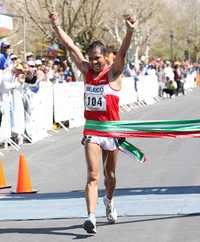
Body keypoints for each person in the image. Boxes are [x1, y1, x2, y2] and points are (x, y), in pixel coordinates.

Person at [49, 12, 137, 234]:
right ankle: (90, 217)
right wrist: (57, 26)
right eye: (91, 58)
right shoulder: (87, 71)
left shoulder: (114, 72)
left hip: (113, 130)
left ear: (106, 57)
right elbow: (71, 47)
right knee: (93, 176)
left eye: (98, 58)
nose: (94, 62)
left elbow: (124, 51)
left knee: (111, 176)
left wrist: (130, 31)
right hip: (93, 130)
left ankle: (108, 201)